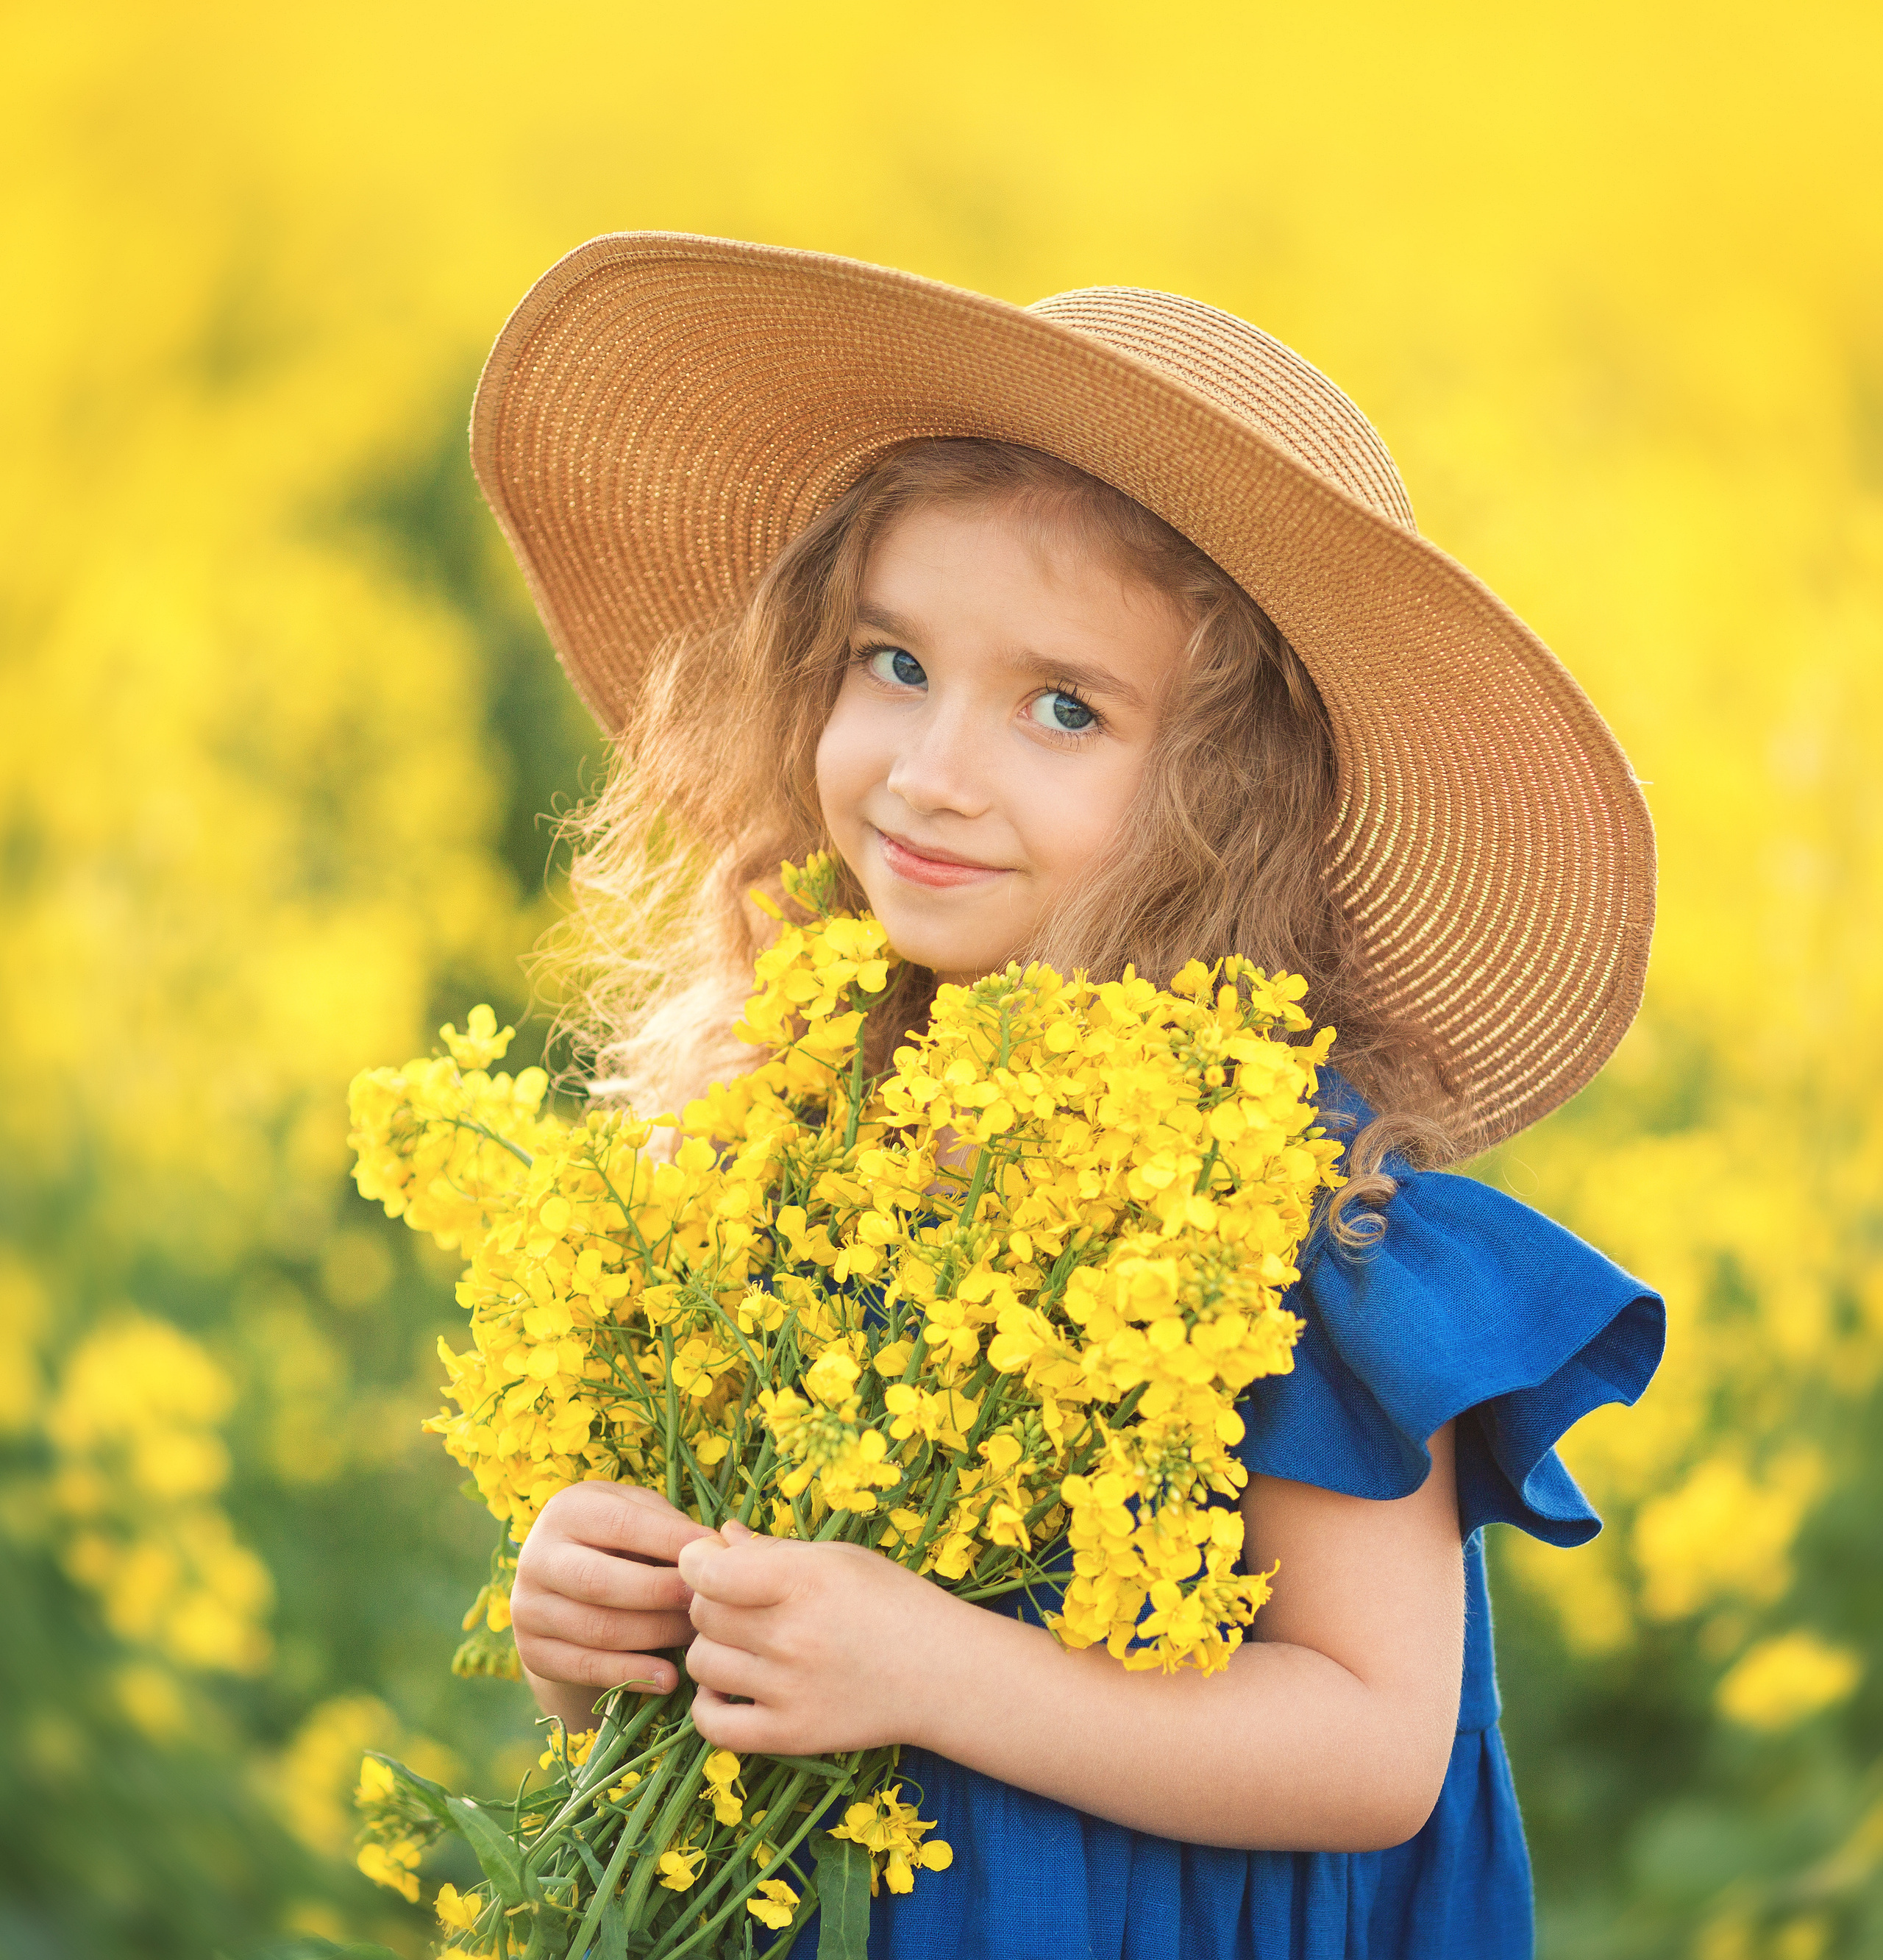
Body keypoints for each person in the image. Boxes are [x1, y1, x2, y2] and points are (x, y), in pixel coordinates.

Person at [477, 234, 1665, 1958]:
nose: (931, 774)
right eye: (891, 663)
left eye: (1059, 708)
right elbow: (739, 1665)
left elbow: (1373, 1748)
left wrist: (933, 1670)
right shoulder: (781, 1117)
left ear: (1227, 799)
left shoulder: (1279, 1200)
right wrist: (599, 1624)